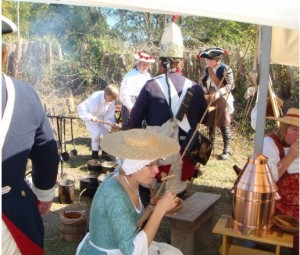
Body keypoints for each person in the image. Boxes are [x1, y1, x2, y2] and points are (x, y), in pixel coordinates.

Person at [130, 16, 208, 206]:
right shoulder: (195, 88)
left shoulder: (150, 86)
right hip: (182, 150)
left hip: (153, 151)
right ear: (180, 62)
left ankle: (146, 224)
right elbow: (204, 117)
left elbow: (133, 121)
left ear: (161, 61)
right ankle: (177, 227)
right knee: (176, 196)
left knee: (145, 190)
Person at [1, 16, 60, 255]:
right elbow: (47, 153)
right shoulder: (25, 94)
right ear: (4, 54)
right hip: (9, 215)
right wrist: (44, 192)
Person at [76, 129, 183, 255]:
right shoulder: (115, 194)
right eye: (149, 165)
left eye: (157, 162)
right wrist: (160, 210)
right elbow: (133, 251)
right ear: (133, 166)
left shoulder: (128, 180)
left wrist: (151, 209)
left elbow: (128, 223)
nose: (156, 170)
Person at [198, 47, 235, 160]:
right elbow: (202, 82)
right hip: (210, 97)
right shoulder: (207, 70)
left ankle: (227, 149)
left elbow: (231, 85)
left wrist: (220, 92)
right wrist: (204, 90)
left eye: (210, 60)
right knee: (210, 122)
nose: (208, 62)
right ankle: (210, 146)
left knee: (224, 122)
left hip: (222, 97)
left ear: (217, 59)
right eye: (207, 60)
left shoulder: (225, 69)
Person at [263, 108, 299, 218]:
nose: (299, 134)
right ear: (284, 129)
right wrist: (291, 156)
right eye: (295, 129)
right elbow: (268, 177)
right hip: (278, 207)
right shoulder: (269, 143)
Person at [77, 84, 119, 159]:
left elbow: (109, 115)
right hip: (90, 115)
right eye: (111, 98)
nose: (112, 100)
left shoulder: (112, 101)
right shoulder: (95, 96)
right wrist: (90, 117)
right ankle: (94, 156)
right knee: (96, 134)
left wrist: (111, 124)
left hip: (101, 117)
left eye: (113, 99)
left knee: (106, 134)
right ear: (106, 94)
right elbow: (82, 107)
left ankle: (104, 154)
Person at [120, 50, 155, 130]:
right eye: (143, 64)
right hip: (132, 103)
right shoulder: (129, 76)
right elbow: (123, 94)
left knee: (141, 130)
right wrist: (130, 107)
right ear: (138, 63)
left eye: (147, 64)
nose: (145, 66)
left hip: (143, 104)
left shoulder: (148, 76)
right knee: (129, 130)